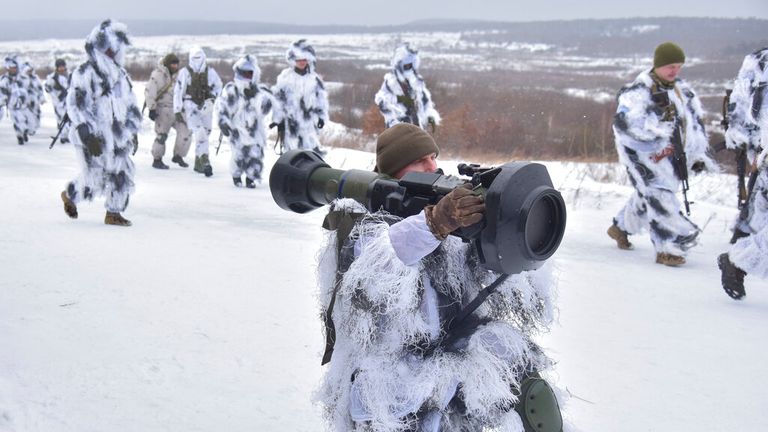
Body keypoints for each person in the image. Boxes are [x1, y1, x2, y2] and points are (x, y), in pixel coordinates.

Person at [315, 123, 564, 431]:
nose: (432, 165)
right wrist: (434, 224)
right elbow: (375, 273)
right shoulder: (362, 223)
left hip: (449, 384)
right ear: (393, 171)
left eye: (433, 156)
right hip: (391, 394)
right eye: (420, 160)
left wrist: (505, 227)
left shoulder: (450, 216)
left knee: (528, 390)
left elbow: (492, 282)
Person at [607, 42, 717, 266]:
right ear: (657, 64)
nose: (674, 71)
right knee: (660, 196)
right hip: (643, 158)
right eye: (669, 66)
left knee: (648, 195)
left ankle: (620, 227)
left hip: (674, 157)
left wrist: (696, 156)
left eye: (678, 66)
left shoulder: (683, 91)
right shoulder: (638, 93)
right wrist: (656, 140)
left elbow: (694, 126)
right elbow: (626, 128)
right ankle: (668, 248)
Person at [59, 19, 141, 227]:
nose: (113, 54)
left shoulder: (121, 76)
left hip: (118, 135)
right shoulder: (85, 73)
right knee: (94, 177)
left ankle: (113, 212)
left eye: (116, 50)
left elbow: (130, 104)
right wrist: (86, 134)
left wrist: (132, 131)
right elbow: (75, 106)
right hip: (93, 135)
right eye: (110, 50)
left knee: (122, 173)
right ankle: (71, 196)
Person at [718, 50, 768, 300]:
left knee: (760, 221)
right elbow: (741, 113)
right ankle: (737, 259)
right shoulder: (761, 64)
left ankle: (737, 260)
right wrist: (753, 151)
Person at [724, 47, 767, 242]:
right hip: (762, 145)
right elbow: (739, 101)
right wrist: (740, 134)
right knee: (760, 196)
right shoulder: (759, 61)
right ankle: (740, 251)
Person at [216, 54, 277, 188]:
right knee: (238, 154)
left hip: (255, 130)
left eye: (250, 73)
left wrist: (263, 101)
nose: (247, 76)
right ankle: (236, 175)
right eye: (244, 73)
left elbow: (265, 109)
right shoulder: (232, 89)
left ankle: (252, 177)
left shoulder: (259, 92)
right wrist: (223, 122)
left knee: (255, 154)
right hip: (236, 129)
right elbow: (222, 106)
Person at [271, 39, 329, 153]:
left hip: (309, 124)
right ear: (293, 60)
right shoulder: (285, 78)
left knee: (311, 153)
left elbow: (321, 100)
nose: (302, 62)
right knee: (292, 155)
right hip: (291, 124)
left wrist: (321, 117)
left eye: (304, 59)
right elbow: (278, 101)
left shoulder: (314, 79)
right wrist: (278, 120)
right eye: (298, 60)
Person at [173, 46, 222, 177]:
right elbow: (178, 91)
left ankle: (198, 162)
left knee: (206, 132)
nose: (197, 60)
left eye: (199, 58)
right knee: (200, 133)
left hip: (206, 107)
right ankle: (205, 160)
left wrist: (212, 97)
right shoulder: (185, 72)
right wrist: (177, 109)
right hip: (190, 106)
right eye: (194, 58)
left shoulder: (210, 72)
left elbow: (219, 86)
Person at [375, 43, 440, 132]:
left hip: (417, 128)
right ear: (399, 66)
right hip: (397, 130)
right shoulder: (391, 83)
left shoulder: (417, 83)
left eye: (411, 66)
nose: (409, 69)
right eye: (406, 66)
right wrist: (399, 99)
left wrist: (429, 116)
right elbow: (381, 101)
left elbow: (425, 102)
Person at [145, 53, 191, 169]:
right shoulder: (157, 75)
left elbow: (186, 91)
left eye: (176, 64)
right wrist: (152, 108)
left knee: (186, 132)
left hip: (178, 109)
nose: (175, 66)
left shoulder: (181, 76)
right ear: (167, 64)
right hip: (162, 109)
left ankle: (178, 155)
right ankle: (157, 159)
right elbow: (150, 92)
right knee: (162, 135)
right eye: (172, 64)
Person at [0, 55, 32, 145]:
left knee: (25, 120)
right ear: (8, 68)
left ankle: (25, 131)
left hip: (23, 105)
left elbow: (28, 89)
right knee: (17, 121)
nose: (13, 69)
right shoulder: (4, 80)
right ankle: (19, 137)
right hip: (12, 105)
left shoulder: (22, 78)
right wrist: (2, 101)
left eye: (15, 68)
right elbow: (2, 93)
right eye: (11, 68)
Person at [44, 58, 71, 144]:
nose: (62, 68)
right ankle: (63, 136)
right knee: (61, 119)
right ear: (57, 67)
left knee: (70, 119)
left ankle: (69, 135)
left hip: (69, 100)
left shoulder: (69, 75)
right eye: (60, 67)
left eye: (63, 66)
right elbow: (47, 88)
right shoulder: (53, 77)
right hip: (58, 101)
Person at [21, 61, 45, 137]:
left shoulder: (35, 78)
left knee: (37, 118)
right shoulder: (21, 79)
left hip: (35, 102)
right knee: (26, 118)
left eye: (31, 70)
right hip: (25, 103)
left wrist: (42, 98)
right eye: (28, 70)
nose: (30, 72)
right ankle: (24, 130)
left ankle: (31, 129)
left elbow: (40, 89)